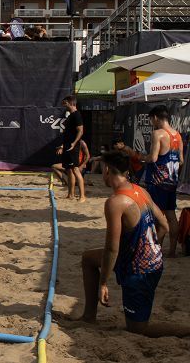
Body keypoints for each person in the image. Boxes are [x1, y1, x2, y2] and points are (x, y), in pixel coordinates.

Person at [77, 150, 190, 337]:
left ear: (107, 171)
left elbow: (111, 249)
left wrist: (103, 283)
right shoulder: (140, 190)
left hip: (140, 270)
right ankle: (88, 316)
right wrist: (153, 249)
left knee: (138, 329)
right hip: (147, 260)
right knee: (88, 259)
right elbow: (163, 225)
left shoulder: (115, 202)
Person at [139, 105, 184, 257]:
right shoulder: (178, 135)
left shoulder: (158, 133)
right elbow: (181, 160)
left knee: (158, 218)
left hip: (158, 182)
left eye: (151, 119)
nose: (152, 122)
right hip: (172, 181)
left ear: (156, 118)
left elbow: (153, 158)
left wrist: (141, 157)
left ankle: (156, 249)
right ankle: (171, 251)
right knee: (171, 216)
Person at [55, 95, 86, 201]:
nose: (63, 104)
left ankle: (82, 196)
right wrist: (64, 145)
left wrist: (74, 143)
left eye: (65, 102)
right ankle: (71, 195)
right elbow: (69, 133)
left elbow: (80, 131)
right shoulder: (70, 116)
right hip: (68, 146)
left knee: (76, 169)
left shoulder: (77, 115)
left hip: (73, 147)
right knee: (69, 170)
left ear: (70, 102)